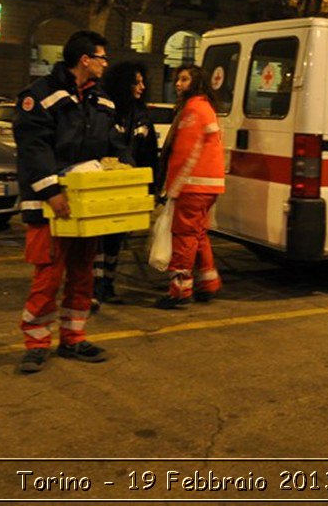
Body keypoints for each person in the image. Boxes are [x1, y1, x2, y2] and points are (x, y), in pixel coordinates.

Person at [13, 31, 127, 373]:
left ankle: (73, 338)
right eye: (102, 57)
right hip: (48, 205)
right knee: (48, 276)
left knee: (82, 274)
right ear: (85, 60)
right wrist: (52, 191)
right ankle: (36, 343)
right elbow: (34, 148)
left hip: (85, 205)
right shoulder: (40, 96)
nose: (106, 63)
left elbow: (114, 146)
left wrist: (126, 176)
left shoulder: (102, 101)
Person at [155, 65, 225, 309]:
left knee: (184, 236)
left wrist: (173, 187)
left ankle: (180, 290)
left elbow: (186, 153)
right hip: (208, 185)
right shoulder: (206, 107)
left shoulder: (193, 110)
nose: (178, 84)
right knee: (198, 234)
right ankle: (208, 283)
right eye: (177, 79)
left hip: (193, 185)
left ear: (195, 83)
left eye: (184, 79)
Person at [91, 61, 159, 311]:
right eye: (136, 82)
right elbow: (108, 144)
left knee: (116, 239)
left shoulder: (141, 114)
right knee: (100, 237)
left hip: (131, 185)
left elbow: (150, 152)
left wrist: (151, 186)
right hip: (108, 184)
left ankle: (108, 285)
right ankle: (95, 289)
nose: (141, 87)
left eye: (143, 82)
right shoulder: (107, 110)